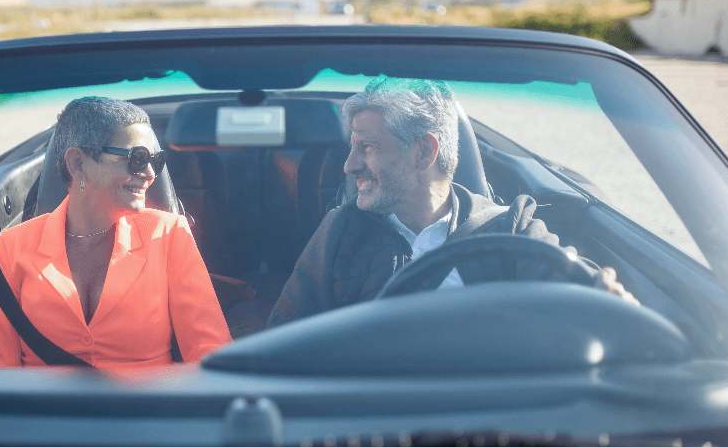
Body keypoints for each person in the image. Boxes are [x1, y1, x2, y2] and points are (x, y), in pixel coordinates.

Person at [268, 77, 635, 328]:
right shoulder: (340, 231)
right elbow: (280, 347)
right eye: (353, 147)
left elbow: (590, 310)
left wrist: (604, 302)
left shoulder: (511, 229)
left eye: (366, 147)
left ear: (424, 152)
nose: (349, 166)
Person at [0, 97, 231, 369]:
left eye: (156, 161)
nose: (150, 174)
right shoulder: (9, 248)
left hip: (149, 398)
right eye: (137, 158)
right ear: (78, 163)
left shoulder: (169, 234)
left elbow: (210, 353)